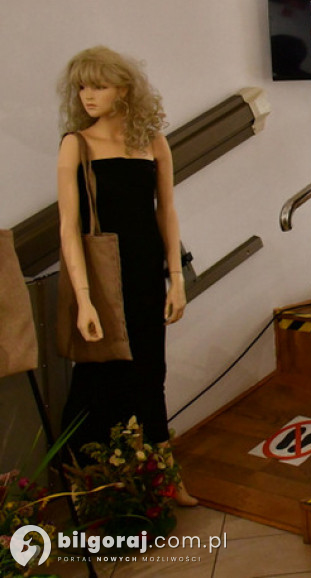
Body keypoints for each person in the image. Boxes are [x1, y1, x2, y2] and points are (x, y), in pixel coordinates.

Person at [57, 46, 197, 507]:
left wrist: (176, 276)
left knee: (150, 370)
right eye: (82, 86)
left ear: (124, 89)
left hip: (143, 269)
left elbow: (167, 211)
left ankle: (163, 473)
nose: (87, 95)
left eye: (97, 85)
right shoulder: (75, 144)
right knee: (98, 374)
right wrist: (83, 297)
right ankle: (85, 480)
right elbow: (69, 227)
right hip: (101, 275)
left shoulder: (153, 141)